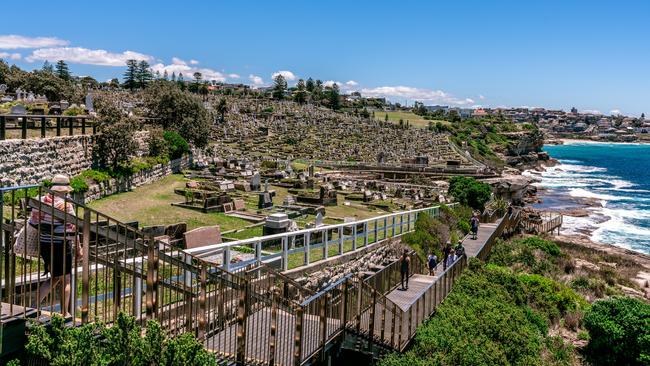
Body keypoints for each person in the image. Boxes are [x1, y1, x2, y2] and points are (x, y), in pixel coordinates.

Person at [30, 174, 81, 315]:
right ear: (65, 190)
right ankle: (65, 313)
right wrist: (79, 249)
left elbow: (33, 223)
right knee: (66, 279)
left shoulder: (40, 201)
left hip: (45, 244)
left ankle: (34, 305)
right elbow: (73, 229)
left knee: (54, 277)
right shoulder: (66, 206)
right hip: (60, 245)